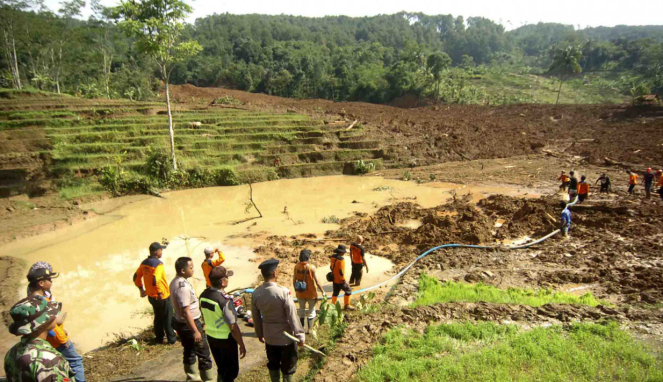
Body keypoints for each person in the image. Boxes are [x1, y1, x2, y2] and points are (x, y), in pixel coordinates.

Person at [26, 262, 86, 382]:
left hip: (47, 339)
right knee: (75, 361)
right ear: (41, 283)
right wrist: (62, 323)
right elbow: (51, 322)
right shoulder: (43, 302)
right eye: (49, 279)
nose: (51, 281)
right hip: (57, 339)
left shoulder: (31, 300)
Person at [251, 259, 305, 382]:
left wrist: (260, 334)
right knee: (288, 367)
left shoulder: (256, 294)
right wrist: (300, 335)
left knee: (273, 364)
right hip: (286, 339)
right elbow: (292, 316)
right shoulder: (283, 292)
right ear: (275, 273)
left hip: (269, 338)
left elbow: (256, 317)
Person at [4, 295, 76, 382]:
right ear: (42, 323)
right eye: (51, 313)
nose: (55, 316)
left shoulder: (11, 353)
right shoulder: (49, 361)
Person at [170, 257, 214, 382]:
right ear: (183, 270)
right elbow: (185, 311)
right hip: (190, 324)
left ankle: (192, 378)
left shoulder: (176, 281)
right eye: (191, 268)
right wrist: (195, 331)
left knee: (189, 350)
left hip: (182, 323)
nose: (193, 270)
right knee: (203, 353)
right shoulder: (182, 287)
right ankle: (208, 380)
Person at [200, 266, 246, 382]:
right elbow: (233, 326)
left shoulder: (203, 296)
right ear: (222, 281)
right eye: (227, 277)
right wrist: (241, 343)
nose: (228, 279)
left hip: (211, 337)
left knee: (221, 368)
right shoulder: (224, 301)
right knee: (231, 372)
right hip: (226, 340)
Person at [133, 241, 177, 344]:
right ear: (157, 252)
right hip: (162, 296)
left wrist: (141, 290)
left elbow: (136, 277)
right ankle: (172, 340)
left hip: (151, 296)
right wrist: (160, 293)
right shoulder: (158, 264)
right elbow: (156, 279)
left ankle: (159, 338)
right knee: (168, 317)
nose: (162, 252)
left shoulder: (144, 263)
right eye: (161, 250)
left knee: (158, 316)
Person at [292, 249, 325, 332]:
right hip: (311, 293)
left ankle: (301, 328)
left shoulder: (296, 266)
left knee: (301, 310)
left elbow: (294, 280)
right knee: (311, 311)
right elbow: (317, 282)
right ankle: (310, 329)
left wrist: (296, 290)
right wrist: (323, 291)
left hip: (300, 293)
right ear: (308, 258)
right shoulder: (312, 267)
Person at [330, 244, 353, 309]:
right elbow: (341, 271)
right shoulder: (341, 260)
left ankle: (333, 306)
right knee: (348, 290)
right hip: (340, 280)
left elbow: (331, 267)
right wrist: (344, 281)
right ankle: (347, 305)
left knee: (335, 292)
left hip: (334, 278)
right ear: (342, 252)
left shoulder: (332, 257)